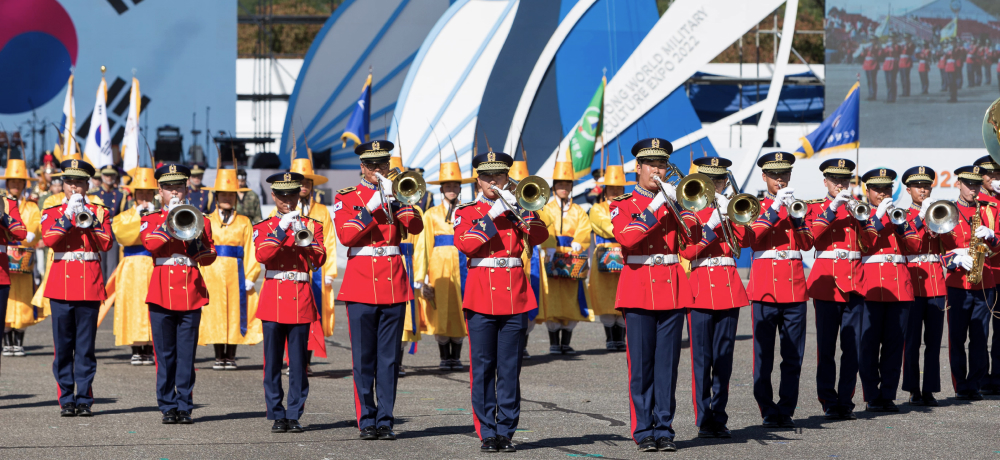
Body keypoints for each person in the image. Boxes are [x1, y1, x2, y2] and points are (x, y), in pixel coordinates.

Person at [454, 149, 548, 453]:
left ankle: (506, 430)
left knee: (510, 368)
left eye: (499, 175)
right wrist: (494, 213)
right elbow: (466, 243)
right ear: (478, 181)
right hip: (481, 294)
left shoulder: (519, 205)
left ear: (507, 177)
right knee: (482, 367)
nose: (493, 181)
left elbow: (541, 234)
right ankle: (487, 432)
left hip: (514, 294)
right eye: (487, 177)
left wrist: (520, 208)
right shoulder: (465, 210)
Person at [612, 138, 701, 452]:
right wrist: (654, 206)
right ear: (638, 168)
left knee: (667, 365)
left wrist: (701, 217)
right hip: (637, 287)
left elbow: (691, 244)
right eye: (652, 165)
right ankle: (643, 430)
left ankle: (664, 428)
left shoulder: (677, 203)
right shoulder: (622, 203)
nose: (658, 170)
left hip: (672, 288)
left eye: (663, 165)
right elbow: (627, 238)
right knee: (642, 366)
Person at [334, 140, 423, 441]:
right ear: (362, 167)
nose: (377, 170)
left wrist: (400, 200)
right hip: (360, 285)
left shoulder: (398, 192)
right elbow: (346, 236)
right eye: (372, 166)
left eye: (382, 165)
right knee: (363, 359)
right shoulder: (346, 197)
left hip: (393, 284)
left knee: (389, 359)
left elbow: (416, 226)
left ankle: (385, 419)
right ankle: (366, 419)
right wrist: (373, 205)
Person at [141, 164, 217, 424]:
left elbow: (208, 258)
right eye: (169, 187)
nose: (175, 192)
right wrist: (168, 221)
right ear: (159, 191)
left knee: (186, 354)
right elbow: (150, 244)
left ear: (186, 189)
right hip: (162, 291)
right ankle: (167, 405)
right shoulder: (150, 219)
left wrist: (195, 238)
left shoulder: (200, 218)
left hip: (190, 291)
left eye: (179, 187)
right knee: (165, 355)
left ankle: (184, 405)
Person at [678, 157, 748, 438]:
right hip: (700, 288)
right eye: (710, 181)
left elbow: (744, 240)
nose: (716, 185)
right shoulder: (688, 211)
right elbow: (687, 251)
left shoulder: (731, 210)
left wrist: (730, 212)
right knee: (701, 359)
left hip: (729, 289)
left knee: (724, 358)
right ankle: (704, 418)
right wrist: (711, 224)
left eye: (720, 180)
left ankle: (719, 416)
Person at [254, 171, 327, 433]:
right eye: (283, 196)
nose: (288, 201)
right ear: (273, 196)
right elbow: (262, 255)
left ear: (299, 195)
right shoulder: (263, 226)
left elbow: (319, 260)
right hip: (273, 296)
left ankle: (294, 413)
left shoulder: (311, 224)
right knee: (272, 361)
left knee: (298, 363)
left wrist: (300, 233)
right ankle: (276, 413)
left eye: (293, 195)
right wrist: (282, 227)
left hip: (299, 296)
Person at [747, 152, 813, 428]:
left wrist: (796, 218)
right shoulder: (755, 206)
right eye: (774, 175)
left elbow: (809, 244)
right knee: (763, 356)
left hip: (794, 289)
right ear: (764, 177)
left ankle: (786, 409)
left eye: (784, 174)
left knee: (792, 356)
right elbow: (751, 237)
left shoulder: (799, 205)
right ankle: (766, 408)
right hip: (764, 289)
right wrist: (774, 208)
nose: (780, 179)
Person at [40, 159, 106, 417]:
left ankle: (85, 398)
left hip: (89, 283)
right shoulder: (52, 211)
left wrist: (89, 222)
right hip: (61, 285)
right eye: (69, 182)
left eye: (79, 182)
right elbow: (49, 240)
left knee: (86, 347)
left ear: (87, 185)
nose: (74, 187)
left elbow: (107, 243)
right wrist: (68, 218)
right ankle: (66, 397)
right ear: (63, 185)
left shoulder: (99, 212)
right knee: (63, 347)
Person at [856, 168, 919, 413]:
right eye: (877, 189)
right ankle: (872, 395)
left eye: (887, 189)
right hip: (871, 286)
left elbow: (914, 245)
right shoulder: (861, 215)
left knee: (894, 344)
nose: (882, 194)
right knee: (869, 344)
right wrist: (879, 219)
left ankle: (888, 394)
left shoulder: (899, 215)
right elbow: (865, 244)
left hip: (899, 287)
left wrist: (900, 224)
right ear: (867, 191)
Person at [805, 158, 863, 420]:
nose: (840, 184)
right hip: (827, 282)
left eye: (844, 180)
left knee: (853, 347)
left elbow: (871, 240)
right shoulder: (816, 207)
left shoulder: (857, 208)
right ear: (825, 181)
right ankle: (828, 399)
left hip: (855, 281)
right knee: (826, 347)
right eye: (835, 180)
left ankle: (846, 400)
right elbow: (811, 236)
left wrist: (865, 215)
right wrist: (832, 208)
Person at [940, 166, 1000, 401]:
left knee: (980, 336)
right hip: (957, 282)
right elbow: (938, 248)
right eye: (968, 184)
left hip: (984, 281)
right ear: (958, 184)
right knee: (957, 337)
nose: (973, 189)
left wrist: (993, 236)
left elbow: (997, 244)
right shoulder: (947, 210)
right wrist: (954, 259)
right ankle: (960, 384)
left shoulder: (988, 210)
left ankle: (974, 383)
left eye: (976, 185)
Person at [278, 155, 338, 373]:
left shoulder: (321, 211)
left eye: (307, 182)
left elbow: (329, 241)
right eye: (299, 182)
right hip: (290, 271)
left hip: (315, 272)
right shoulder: (280, 209)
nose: (303, 186)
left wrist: (329, 271)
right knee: (287, 312)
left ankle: (306, 361)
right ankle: (290, 359)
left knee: (311, 316)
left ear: (312, 185)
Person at [198, 168, 262, 370]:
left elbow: (251, 249)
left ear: (236, 197)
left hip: (236, 272)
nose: (227, 198)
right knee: (215, 311)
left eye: (230, 194)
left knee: (235, 312)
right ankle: (219, 355)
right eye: (223, 194)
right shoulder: (206, 220)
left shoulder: (244, 222)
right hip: (212, 271)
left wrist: (251, 275)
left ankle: (231, 355)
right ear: (216, 197)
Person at [415, 161, 475, 370]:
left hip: (463, 268)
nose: (451, 190)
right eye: (447, 187)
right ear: (441, 189)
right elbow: (423, 246)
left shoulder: (469, 211)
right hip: (438, 269)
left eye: (455, 186)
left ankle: (456, 356)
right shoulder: (430, 214)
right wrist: (422, 278)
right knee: (440, 309)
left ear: (460, 188)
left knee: (461, 308)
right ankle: (444, 356)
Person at [900, 166, 946, 406]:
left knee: (934, 342)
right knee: (912, 342)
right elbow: (909, 245)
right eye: (918, 186)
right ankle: (912, 389)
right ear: (909, 190)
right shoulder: (904, 215)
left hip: (936, 284)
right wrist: (920, 218)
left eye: (927, 186)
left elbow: (948, 242)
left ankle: (929, 389)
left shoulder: (939, 211)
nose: (923, 189)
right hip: (912, 283)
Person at [539, 161, 590, 354]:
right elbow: (544, 225)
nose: (564, 188)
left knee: (571, 297)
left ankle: (566, 341)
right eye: (560, 185)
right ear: (554, 187)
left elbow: (585, 227)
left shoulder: (578, 210)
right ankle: (553, 342)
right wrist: (549, 246)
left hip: (572, 256)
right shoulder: (547, 208)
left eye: (567, 185)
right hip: (551, 255)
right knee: (552, 296)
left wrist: (580, 240)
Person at [110, 167, 159, 365]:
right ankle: (136, 348)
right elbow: (122, 236)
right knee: (133, 305)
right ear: (134, 195)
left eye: (149, 192)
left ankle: (150, 346)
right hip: (131, 266)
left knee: (152, 304)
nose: (145, 197)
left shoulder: (159, 214)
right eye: (141, 193)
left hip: (153, 263)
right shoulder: (124, 216)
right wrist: (138, 217)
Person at [588, 165, 633, 351]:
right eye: (612, 188)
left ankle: (620, 338)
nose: (615, 191)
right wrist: (627, 227)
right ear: (605, 189)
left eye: (619, 188)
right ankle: (610, 338)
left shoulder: (630, 206)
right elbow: (606, 226)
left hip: (626, 254)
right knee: (606, 296)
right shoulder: (597, 208)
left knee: (625, 294)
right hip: (605, 256)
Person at [2, 159, 42, 357]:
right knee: (6, 297)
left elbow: (35, 225)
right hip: (5, 257)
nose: (15, 185)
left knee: (24, 297)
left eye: (19, 182)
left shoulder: (32, 207)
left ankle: (19, 340)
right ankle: (6, 338)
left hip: (23, 258)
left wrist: (25, 235)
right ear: (7, 183)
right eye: (12, 182)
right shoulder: (2, 203)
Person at [973, 155, 1000, 395]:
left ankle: (998, 377)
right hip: (986, 272)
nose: (994, 178)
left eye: (998, 173)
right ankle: (980, 379)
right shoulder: (977, 202)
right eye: (989, 174)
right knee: (980, 331)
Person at [90, 165, 126, 281]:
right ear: (101, 176)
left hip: (113, 234)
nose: (109, 177)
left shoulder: (121, 194)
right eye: (106, 175)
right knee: (98, 267)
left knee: (112, 268)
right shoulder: (93, 193)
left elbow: (123, 216)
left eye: (111, 175)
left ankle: (111, 299)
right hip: (97, 232)